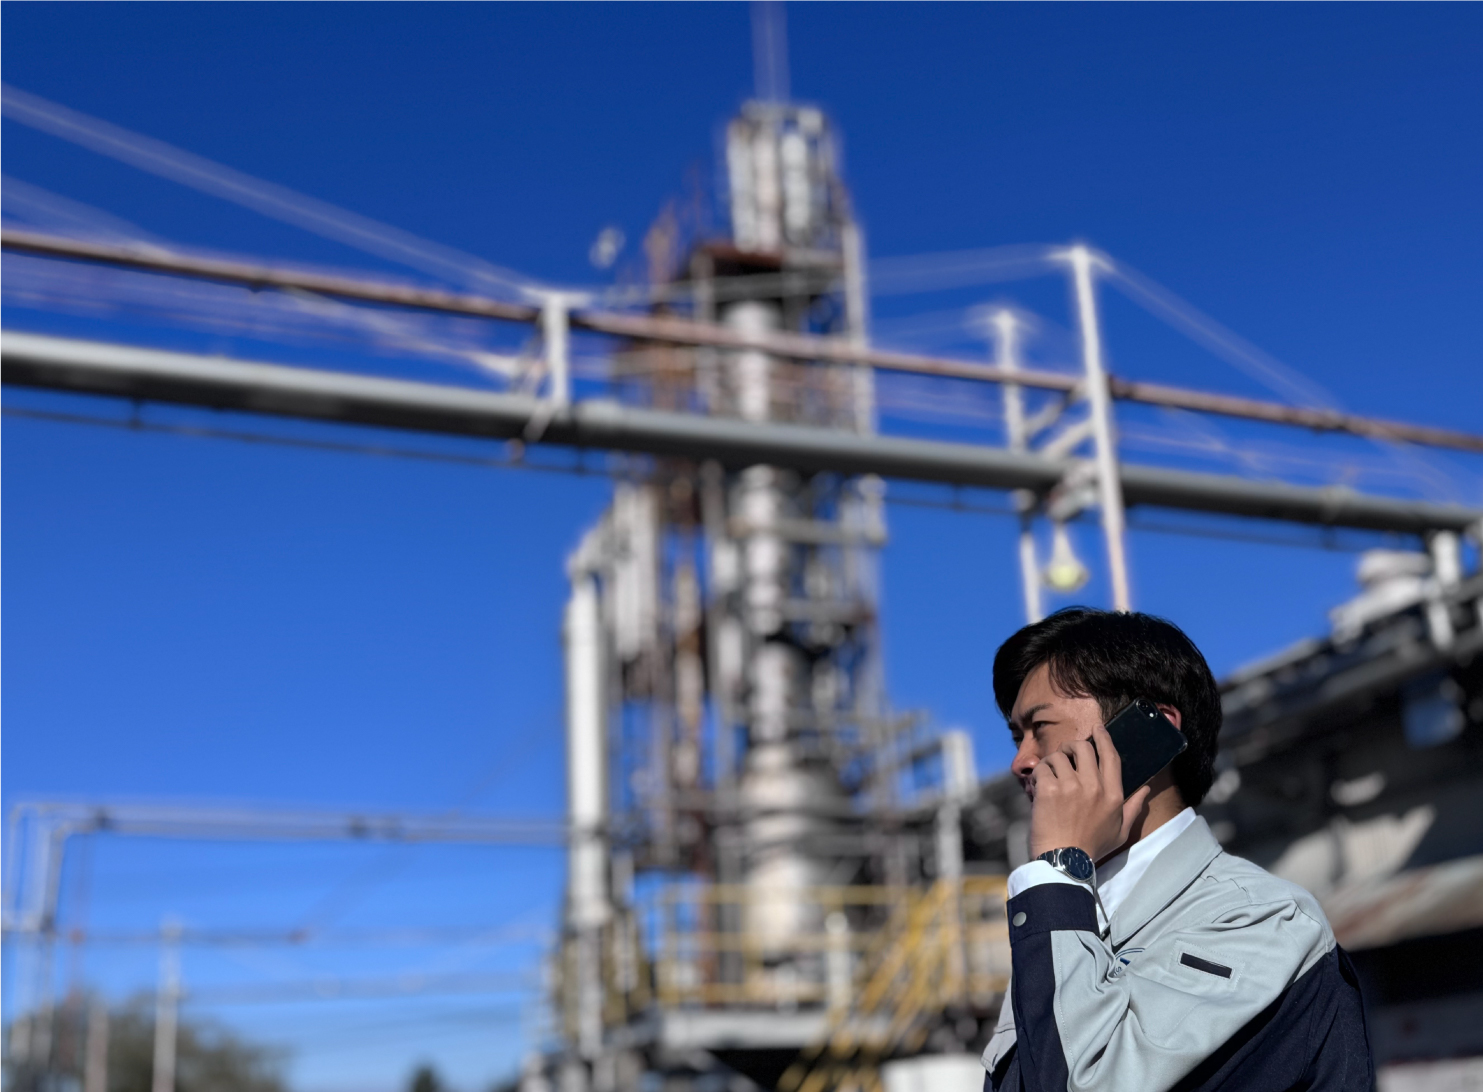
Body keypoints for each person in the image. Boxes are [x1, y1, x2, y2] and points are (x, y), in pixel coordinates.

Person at [981, 608, 1372, 1092]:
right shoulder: (1065, 923)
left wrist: (1060, 867)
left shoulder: (1260, 920)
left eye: (1040, 727)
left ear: (1153, 729)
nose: (1020, 761)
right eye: (1016, 738)